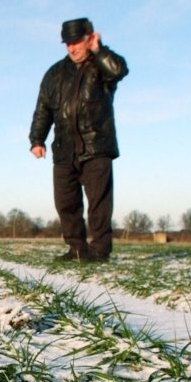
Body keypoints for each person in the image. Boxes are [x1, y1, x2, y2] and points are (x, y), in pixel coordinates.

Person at [29, 17, 128, 262]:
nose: (72, 48)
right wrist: (37, 139)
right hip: (64, 148)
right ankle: (76, 249)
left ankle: (100, 252)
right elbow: (43, 108)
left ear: (89, 38)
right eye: (67, 43)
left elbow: (119, 70)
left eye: (77, 42)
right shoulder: (54, 73)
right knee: (65, 203)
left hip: (96, 145)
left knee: (99, 205)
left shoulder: (102, 66)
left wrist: (99, 50)